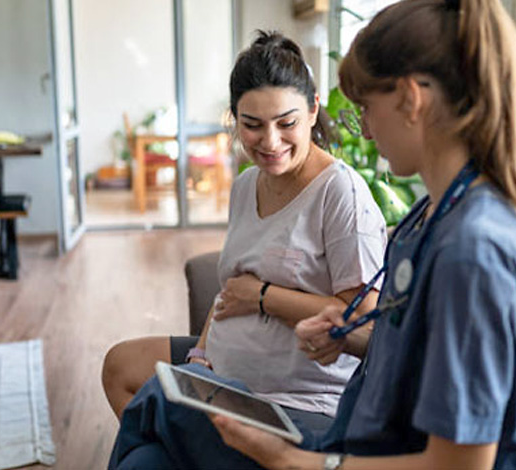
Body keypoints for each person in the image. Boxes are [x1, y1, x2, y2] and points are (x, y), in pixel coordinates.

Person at [109, 0, 516, 468]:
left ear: (410, 99)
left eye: (366, 106)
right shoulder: (429, 217)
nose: (362, 127)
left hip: (340, 452)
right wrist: (344, 337)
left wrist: (300, 463)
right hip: (353, 437)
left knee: (159, 405)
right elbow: (398, 348)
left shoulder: (474, 248)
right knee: (144, 460)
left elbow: (462, 464)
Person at [102, 30, 386, 442]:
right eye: (252, 125)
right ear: (234, 119)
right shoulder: (246, 184)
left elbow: (363, 320)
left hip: (295, 398)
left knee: (151, 432)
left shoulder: (340, 193)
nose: (270, 142)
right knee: (120, 367)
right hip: (222, 368)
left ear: (312, 110)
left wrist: (263, 296)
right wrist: (200, 356)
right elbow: (229, 289)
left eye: (286, 123)